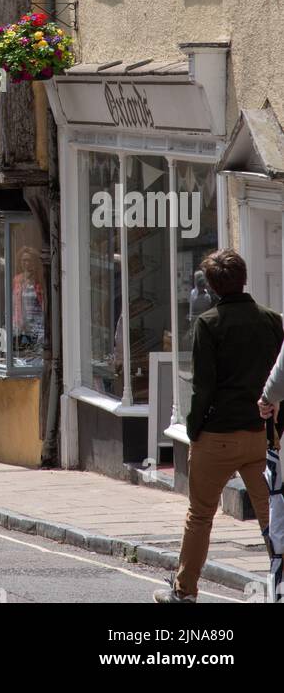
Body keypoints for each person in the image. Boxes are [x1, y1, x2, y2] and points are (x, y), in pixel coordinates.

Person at [153, 249, 283, 604]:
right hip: (261, 436)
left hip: (217, 436)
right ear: (244, 277)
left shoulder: (208, 324)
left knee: (200, 516)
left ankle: (185, 592)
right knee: (272, 517)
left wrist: (194, 429)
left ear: (211, 287)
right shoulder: (273, 321)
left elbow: (203, 387)